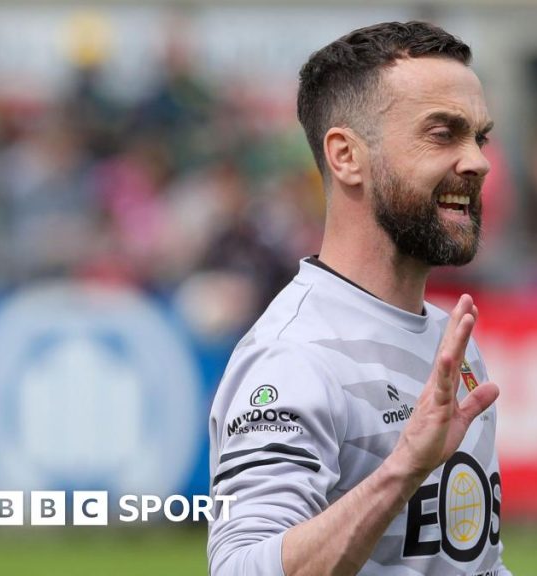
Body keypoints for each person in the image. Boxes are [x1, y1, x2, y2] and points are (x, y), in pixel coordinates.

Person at [207, 22, 507, 576]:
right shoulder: (295, 356)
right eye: (444, 134)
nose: (478, 161)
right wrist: (402, 471)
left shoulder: (452, 343)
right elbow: (240, 568)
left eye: (479, 138)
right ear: (346, 156)